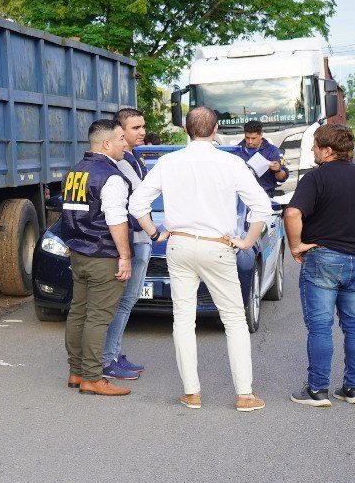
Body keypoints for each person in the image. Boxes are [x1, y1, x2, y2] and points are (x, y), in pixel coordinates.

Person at [128, 106, 273, 412]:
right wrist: (247, 240)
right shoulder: (231, 163)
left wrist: (155, 234)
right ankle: (244, 394)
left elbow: (137, 202)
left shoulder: (169, 162)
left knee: (183, 318)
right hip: (217, 245)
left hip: (178, 244)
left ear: (185, 129)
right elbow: (260, 206)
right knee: (234, 319)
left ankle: (192, 392)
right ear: (216, 128)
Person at [283, 125, 355, 407]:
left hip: (323, 258)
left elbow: (292, 213)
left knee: (320, 326)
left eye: (315, 146)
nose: (313, 151)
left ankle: (317, 389)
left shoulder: (315, 178)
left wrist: (295, 246)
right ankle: (354, 388)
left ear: (327, 150)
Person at [60, 119, 140, 398]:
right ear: (106, 143)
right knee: (98, 318)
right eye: (120, 139)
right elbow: (117, 219)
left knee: (78, 313)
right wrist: (125, 257)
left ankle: (77, 371)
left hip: (79, 254)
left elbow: (68, 214)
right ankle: (93, 378)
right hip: (103, 255)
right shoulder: (111, 176)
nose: (124, 144)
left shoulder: (75, 172)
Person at [101, 107, 158, 382]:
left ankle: (114, 352)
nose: (142, 132)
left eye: (143, 126)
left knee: (128, 301)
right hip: (134, 239)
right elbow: (138, 199)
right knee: (122, 302)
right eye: (135, 128)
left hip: (141, 238)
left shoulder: (134, 157)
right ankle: (107, 358)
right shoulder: (120, 162)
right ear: (119, 132)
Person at [232, 120, 289, 196]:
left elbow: (282, 178)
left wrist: (278, 170)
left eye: (253, 138)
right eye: (247, 138)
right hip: (242, 195)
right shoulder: (236, 151)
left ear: (261, 135)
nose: (250, 141)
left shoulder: (273, 151)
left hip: (265, 194)